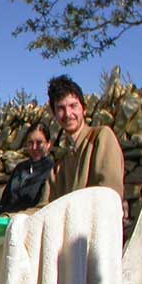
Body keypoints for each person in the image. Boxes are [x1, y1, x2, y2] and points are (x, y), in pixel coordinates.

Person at [40, 75, 124, 204]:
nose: (68, 114)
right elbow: (44, 209)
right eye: (61, 108)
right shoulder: (59, 167)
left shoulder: (101, 138)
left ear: (84, 109)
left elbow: (109, 196)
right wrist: (8, 218)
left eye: (73, 106)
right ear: (54, 114)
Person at [0, 123, 54, 214]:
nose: (34, 148)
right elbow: (5, 200)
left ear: (48, 144)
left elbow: (44, 207)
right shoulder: (20, 169)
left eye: (39, 143)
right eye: (30, 143)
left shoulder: (52, 171)